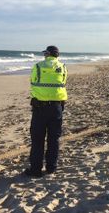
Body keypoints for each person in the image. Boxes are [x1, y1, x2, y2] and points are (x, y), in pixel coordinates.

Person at [24, 45, 68, 177]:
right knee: (54, 139)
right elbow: (63, 83)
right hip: (57, 107)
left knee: (37, 140)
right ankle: (51, 168)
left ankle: (36, 170)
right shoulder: (63, 67)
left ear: (47, 54)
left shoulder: (38, 66)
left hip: (40, 108)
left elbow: (32, 82)